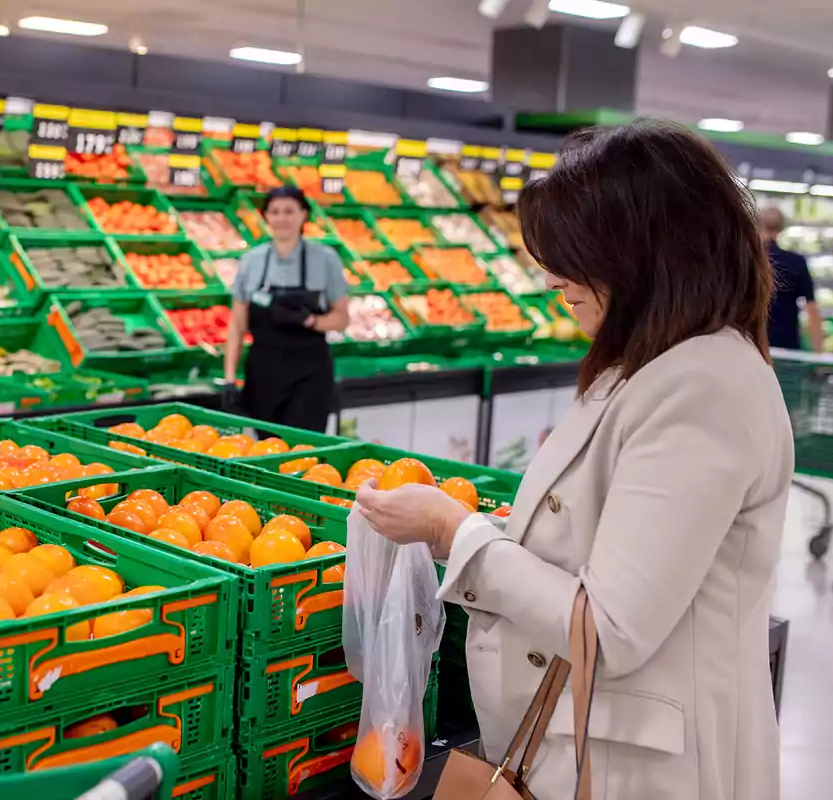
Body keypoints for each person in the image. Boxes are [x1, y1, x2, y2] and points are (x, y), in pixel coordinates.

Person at [356, 120, 790, 800]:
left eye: (574, 254)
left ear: (648, 255)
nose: (555, 276)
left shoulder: (703, 389)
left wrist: (454, 533)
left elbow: (611, 627)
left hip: (644, 768)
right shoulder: (654, 367)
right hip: (596, 741)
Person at [222, 186, 349, 432]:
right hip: (263, 374)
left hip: (309, 375)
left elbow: (342, 318)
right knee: (266, 452)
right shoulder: (251, 261)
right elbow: (237, 325)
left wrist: (312, 321)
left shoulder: (325, 259)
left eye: (290, 211)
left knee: (304, 450)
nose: (282, 219)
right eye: (275, 212)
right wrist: (229, 379)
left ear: (304, 214)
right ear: (266, 216)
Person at [760, 206, 824, 351]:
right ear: (782, 228)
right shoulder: (796, 262)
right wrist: (819, 353)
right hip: (787, 347)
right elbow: (812, 309)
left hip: (751, 345)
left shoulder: (746, 260)